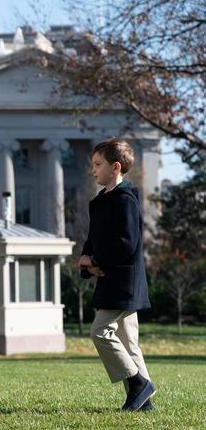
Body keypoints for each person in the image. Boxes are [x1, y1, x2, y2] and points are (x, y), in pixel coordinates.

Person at [77, 138, 156, 412]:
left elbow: (127, 242)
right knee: (128, 342)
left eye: (98, 164)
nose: (93, 170)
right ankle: (145, 402)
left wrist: (98, 260)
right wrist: (87, 262)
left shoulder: (125, 200)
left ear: (116, 167)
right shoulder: (100, 201)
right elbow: (94, 240)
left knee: (100, 332)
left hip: (124, 282)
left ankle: (137, 383)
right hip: (110, 279)